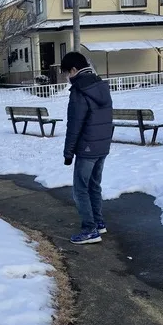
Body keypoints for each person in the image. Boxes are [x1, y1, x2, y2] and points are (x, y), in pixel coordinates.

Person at [61, 51, 113, 244]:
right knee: (94, 185)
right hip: (102, 146)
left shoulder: (79, 91)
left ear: (74, 69)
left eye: (67, 72)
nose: (67, 77)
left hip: (87, 148)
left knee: (80, 189)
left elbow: (74, 125)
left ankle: (89, 229)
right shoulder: (100, 85)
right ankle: (98, 223)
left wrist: (68, 153)